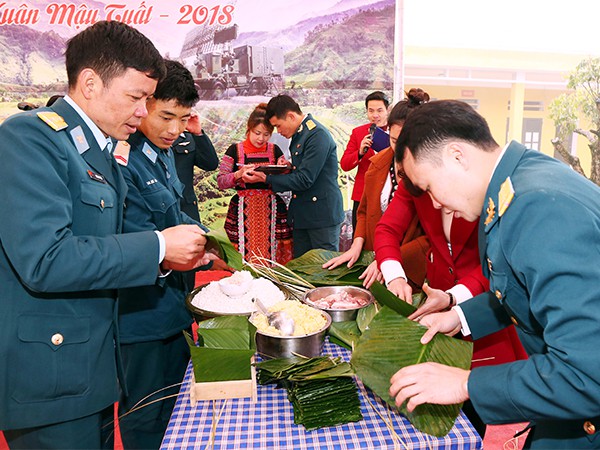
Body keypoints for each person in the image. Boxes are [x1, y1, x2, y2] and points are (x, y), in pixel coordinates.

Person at [0, 21, 209, 449]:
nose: (141, 112)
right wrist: (157, 247)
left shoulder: (100, 150)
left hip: (93, 366)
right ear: (91, 83)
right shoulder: (29, 139)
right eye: (136, 98)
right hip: (49, 374)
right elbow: (45, 260)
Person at [388, 99, 600, 449]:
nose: (436, 204)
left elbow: (585, 374)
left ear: (457, 156)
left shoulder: (540, 210)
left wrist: (465, 384)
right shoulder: (515, 185)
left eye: (428, 187)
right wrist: (458, 317)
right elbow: (521, 288)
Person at [115, 59, 212, 448]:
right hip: (141, 318)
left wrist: (208, 243)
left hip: (172, 310)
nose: (174, 129)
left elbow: (175, 213)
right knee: (145, 416)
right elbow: (131, 241)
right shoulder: (124, 159)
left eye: (184, 118)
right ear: (143, 105)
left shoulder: (164, 151)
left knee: (175, 412)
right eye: (166, 116)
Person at [323, 89, 430, 289]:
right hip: (375, 260)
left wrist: (387, 261)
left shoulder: (428, 175)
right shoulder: (379, 163)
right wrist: (356, 245)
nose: (399, 150)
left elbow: (430, 237)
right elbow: (364, 210)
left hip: (411, 270)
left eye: (407, 143)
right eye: (395, 141)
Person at [254, 94, 344, 258]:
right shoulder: (301, 134)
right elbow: (302, 168)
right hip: (304, 215)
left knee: (324, 271)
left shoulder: (316, 135)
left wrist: (267, 179)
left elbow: (305, 179)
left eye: (279, 126)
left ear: (291, 116)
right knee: (303, 272)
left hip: (321, 217)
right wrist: (287, 168)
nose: (279, 132)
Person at [216, 103, 293, 264]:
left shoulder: (274, 150)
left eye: (266, 134)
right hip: (242, 210)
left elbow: (285, 179)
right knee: (241, 259)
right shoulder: (235, 150)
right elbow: (221, 181)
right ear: (249, 128)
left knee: (274, 258)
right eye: (257, 133)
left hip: (271, 209)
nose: (261, 138)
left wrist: (284, 167)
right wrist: (238, 174)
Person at [340, 91, 390, 233]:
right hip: (363, 196)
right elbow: (345, 164)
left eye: (380, 110)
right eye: (371, 111)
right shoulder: (358, 132)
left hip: (388, 195)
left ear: (387, 110)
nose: (375, 115)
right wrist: (360, 153)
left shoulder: (396, 132)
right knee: (360, 236)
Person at [172, 111, 219, 222]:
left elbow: (210, 164)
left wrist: (198, 134)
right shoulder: (146, 140)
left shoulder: (187, 138)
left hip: (186, 209)